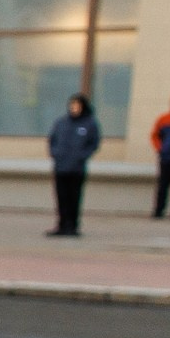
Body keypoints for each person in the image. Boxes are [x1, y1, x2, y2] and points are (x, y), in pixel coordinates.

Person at [47, 93, 100, 237]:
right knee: (61, 197)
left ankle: (72, 226)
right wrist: (55, 153)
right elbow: (52, 139)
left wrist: (82, 156)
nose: (74, 108)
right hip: (61, 166)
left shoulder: (89, 123)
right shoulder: (62, 122)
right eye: (72, 105)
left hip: (76, 168)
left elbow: (94, 144)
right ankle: (62, 225)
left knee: (74, 198)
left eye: (77, 105)